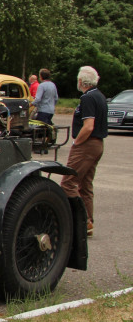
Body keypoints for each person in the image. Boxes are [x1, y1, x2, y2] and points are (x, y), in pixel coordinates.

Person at [61, 66, 107, 237]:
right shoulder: (100, 96)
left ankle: (79, 220)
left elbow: (88, 126)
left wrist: (76, 142)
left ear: (81, 81)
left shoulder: (87, 98)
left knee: (68, 183)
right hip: (97, 144)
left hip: (87, 145)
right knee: (85, 184)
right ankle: (88, 221)